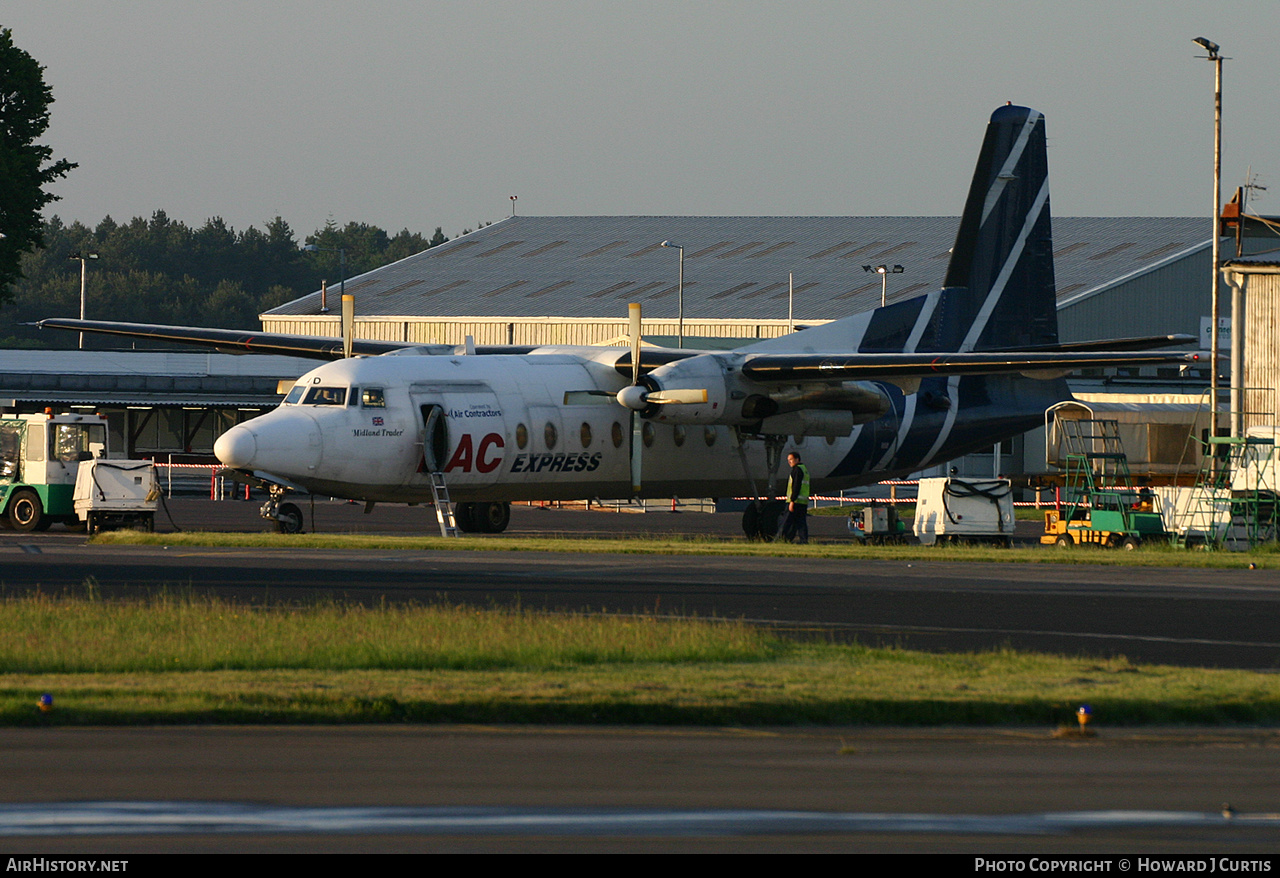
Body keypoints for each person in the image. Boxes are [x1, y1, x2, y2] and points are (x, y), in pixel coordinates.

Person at [780, 450, 810, 544]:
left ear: (797, 459)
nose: (789, 462)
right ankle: (804, 540)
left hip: (795, 501)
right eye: (788, 460)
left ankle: (783, 539)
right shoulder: (804, 469)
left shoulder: (797, 470)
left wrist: (792, 501)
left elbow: (796, 486)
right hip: (803, 502)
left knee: (786, 522)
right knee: (801, 523)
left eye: (791, 459)